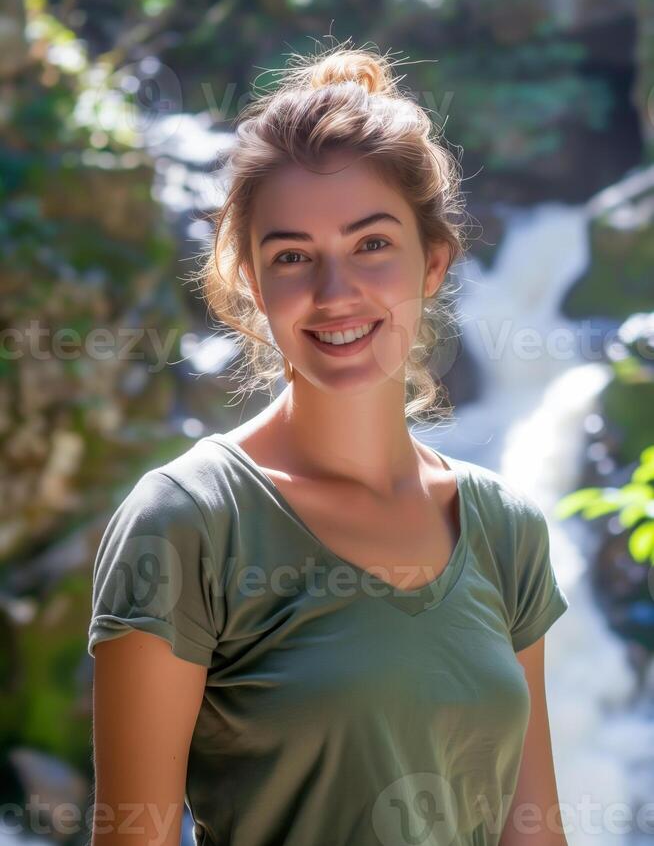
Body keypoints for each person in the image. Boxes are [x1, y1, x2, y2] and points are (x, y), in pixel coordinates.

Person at [88, 44, 570, 846]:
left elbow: (535, 832)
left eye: (372, 244)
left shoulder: (506, 528)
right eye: (292, 257)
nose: (335, 292)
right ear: (250, 279)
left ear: (434, 263)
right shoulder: (190, 521)